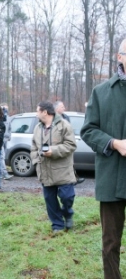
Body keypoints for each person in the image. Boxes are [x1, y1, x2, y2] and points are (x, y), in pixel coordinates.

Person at [80, 38, 126, 279]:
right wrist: (115, 143)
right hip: (112, 179)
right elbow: (88, 130)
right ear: (119, 57)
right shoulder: (101, 92)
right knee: (110, 242)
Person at [30, 101, 77, 233]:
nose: (36, 113)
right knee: (50, 200)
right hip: (45, 170)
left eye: (37, 110)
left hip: (62, 170)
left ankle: (67, 213)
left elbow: (71, 145)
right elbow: (33, 146)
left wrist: (53, 151)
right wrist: (35, 160)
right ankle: (57, 225)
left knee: (67, 197)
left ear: (45, 112)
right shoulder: (37, 128)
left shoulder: (64, 125)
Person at [54, 100, 85, 186]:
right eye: (62, 107)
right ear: (56, 108)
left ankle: (73, 179)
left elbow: (69, 131)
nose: (64, 108)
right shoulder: (51, 118)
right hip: (57, 145)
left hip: (67, 144)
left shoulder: (66, 117)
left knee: (70, 163)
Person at [0, 103, 13, 180]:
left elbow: (10, 128)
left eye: (6, 109)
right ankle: (3, 173)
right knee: (1, 156)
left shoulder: (8, 118)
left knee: (3, 157)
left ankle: (2, 172)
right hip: (0, 139)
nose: (5, 110)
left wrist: (9, 136)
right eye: (4, 108)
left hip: (6, 139)